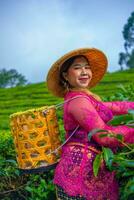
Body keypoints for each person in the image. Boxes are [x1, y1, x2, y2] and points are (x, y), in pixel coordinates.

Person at [46, 48, 134, 200]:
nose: (84, 71)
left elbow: (116, 106)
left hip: (97, 174)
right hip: (78, 175)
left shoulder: (87, 98)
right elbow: (104, 137)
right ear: (66, 76)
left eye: (87, 67)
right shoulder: (77, 101)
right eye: (77, 68)